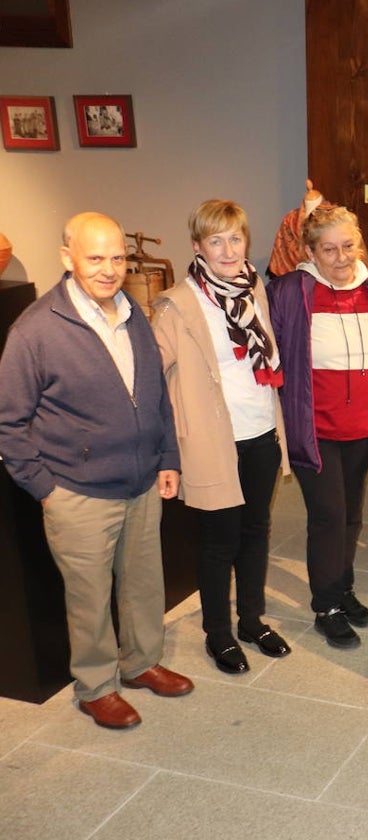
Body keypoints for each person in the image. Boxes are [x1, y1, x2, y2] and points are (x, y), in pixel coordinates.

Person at [0, 212, 193, 729]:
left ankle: (141, 663)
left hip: (142, 481)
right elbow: (9, 423)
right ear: (68, 258)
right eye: (95, 258)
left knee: (143, 584)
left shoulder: (134, 315)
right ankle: (95, 686)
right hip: (77, 492)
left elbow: (155, 400)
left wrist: (167, 458)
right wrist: (46, 489)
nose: (109, 269)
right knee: (88, 598)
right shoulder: (36, 330)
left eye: (117, 257)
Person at [152, 200, 291, 675]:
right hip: (212, 441)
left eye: (235, 238)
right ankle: (219, 634)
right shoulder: (178, 305)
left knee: (256, 531)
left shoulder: (254, 288)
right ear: (198, 246)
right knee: (219, 541)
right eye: (216, 240)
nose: (228, 249)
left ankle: (251, 619)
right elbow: (151, 379)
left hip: (261, 430)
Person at [268, 206, 368, 649]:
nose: (341, 258)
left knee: (352, 516)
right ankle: (327, 606)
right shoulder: (289, 291)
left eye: (348, 246)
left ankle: (344, 589)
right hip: (315, 429)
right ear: (310, 252)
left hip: (363, 426)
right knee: (329, 516)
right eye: (329, 250)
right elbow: (272, 358)